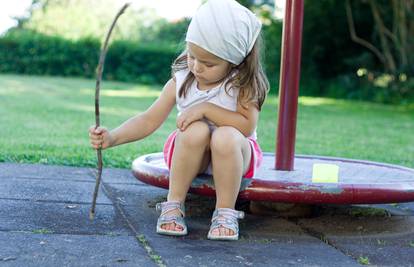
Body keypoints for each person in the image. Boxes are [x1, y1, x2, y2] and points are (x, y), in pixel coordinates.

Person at [89, 0, 269, 241]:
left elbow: (246, 126)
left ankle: (225, 211)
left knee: (225, 135)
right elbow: (148, 119)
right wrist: (112, 138)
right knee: (194, 130)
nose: (197, 67)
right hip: (191, 154)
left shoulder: (241, 84)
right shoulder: (183, 79)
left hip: (234, 156)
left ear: (235, 61)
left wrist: (206, 108)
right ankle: (173, 205)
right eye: (193, 56)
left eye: (208, 63)